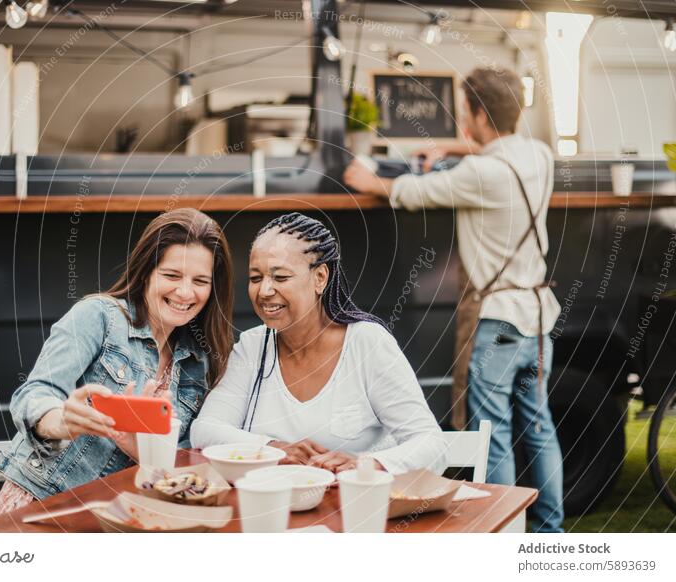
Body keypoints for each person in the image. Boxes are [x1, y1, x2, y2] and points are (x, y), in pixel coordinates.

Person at [343, 67, 563, 532]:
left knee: (493, 438)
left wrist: (363, 176)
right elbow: (495, 151)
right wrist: (454, 147)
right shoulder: (539, 155)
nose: (464, 121)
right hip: (538, 322)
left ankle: (500, 533)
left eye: (466, 113)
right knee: (540, 431)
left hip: (498, 323)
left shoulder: (479, 173)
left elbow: (406, 191)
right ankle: (550, 531)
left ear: (479, 114)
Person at [0, 208, 234, 516]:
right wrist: (60, 421)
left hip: (118, 517)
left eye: (200, 280)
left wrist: (142, 448)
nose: (185, 292)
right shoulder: (99, 316)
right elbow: (34, 394)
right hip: (44, 503)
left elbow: (176, 464)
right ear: (146, 272)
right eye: (171, 275)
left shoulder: (199, 361)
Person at [190, 212, 447, 475]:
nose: (264, 291)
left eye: (280, 277)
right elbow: (205, 429)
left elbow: (431, 444)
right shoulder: (253, 347)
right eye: (256, 278)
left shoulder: (367, 343)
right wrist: (273, 448)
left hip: (351, 508)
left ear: (320, 277)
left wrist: (368, 464)